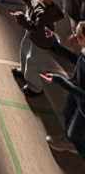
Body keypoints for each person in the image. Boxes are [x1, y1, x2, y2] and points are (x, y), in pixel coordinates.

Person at [10, 0, 63, 96]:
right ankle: (24, 70)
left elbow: (35, 27)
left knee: (35, 62)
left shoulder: (44, 13)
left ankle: (35, 87)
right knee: (25, 49)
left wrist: (21, 18)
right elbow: (28, 0)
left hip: (41, 41)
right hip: (32, 34)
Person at [42, 20, 85, 158]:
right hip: (76, 90)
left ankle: (75, 144)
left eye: (79, 36)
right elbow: (75, 59)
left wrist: (61, 81)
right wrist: (55, 43)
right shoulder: (84, 51)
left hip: (82, 102)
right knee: (67, 112)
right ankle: (70, 140)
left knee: (74, 134)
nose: (75, 37)